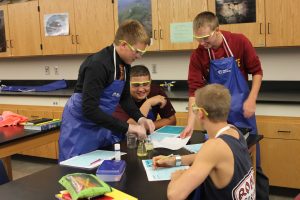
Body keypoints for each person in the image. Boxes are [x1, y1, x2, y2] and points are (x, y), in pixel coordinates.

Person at [59, 20, 155, 162]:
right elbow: (89, 109)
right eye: (137, 52)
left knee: (100, 165)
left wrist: (140, 118)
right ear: (123, 45)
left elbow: (124, 98)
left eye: (142, 53)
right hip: (80, 126)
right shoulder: (98, 64)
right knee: (77, 169)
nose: (139, 57)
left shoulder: (124, 64)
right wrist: (128, 128)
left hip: (101, 123)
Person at [153, 84, 256, 200]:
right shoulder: (234, 132)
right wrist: (175, 160)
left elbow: (175, 195)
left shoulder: (213, 146)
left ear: (201, 113)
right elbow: (205, 156)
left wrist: (176, 176)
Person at [181, 11, 263, 139]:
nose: (202, 43)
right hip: (215, 115)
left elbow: (257, 72)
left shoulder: (239, 41)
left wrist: (252, 100)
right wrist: (190, 124)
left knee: (245, 152)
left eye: (206, 38)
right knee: (219, 152)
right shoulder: (198, 55)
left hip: (242, 110)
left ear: (217, 30)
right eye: (198, 39)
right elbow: (194, 92)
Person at [113, 65, 176, 129]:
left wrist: (149, 127)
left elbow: (172, 121)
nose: (141, 89)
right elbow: (133, 127)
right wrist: (148, 103)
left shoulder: (156, 91)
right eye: (136, 85)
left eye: (145, 84)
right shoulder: (118, 96)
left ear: (150, 82)